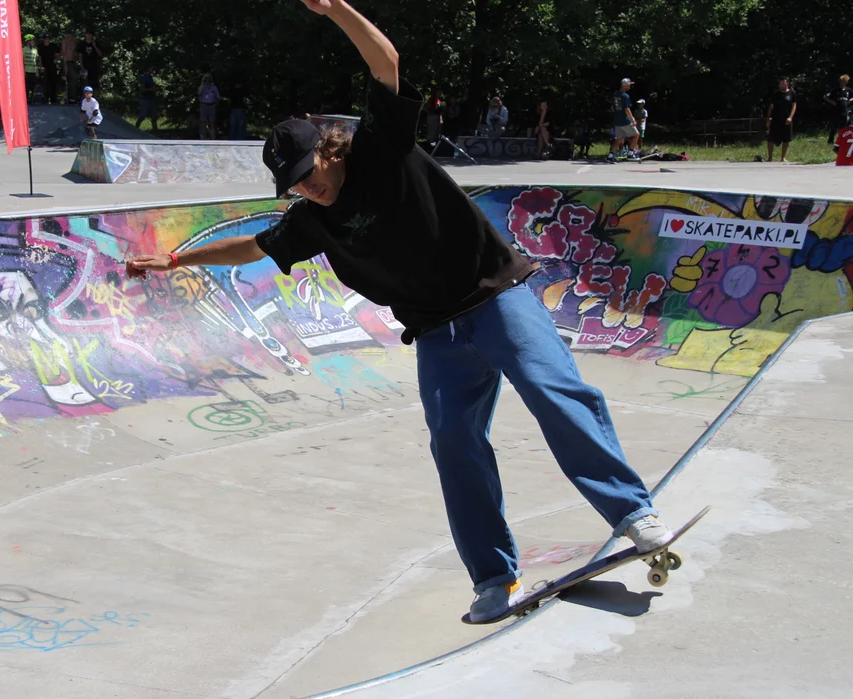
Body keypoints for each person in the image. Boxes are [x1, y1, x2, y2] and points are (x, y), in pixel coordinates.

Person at [126, 0, 674, 623]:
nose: (309, 188)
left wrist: (336, 10)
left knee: (555, 391)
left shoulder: (380, 146)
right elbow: (254, 244)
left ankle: (632, 511)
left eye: (310, 173)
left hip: (494, 295)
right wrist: (178, 260)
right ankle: (495, 578)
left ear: (329, 150)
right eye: (296, 185)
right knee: (453, 443)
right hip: (436, 331)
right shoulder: (312, 220)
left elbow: (385, 61)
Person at [607, 77, 638, 161]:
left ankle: (610, 155)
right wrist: (633, 120)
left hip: (617, 120)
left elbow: (612, 107)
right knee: (636, 135)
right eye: (629, 85)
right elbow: (627, 109)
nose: (630, 86)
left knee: (619, 139)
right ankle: (630, 153)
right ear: (625, 86)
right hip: (625, 120)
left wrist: (617, 114)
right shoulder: (625, 96)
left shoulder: (615, 94)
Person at [766, 76, 797, 162]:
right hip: (776, 119)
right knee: (771, 139)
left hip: (786, 119)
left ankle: (783, 158)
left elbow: (794, 106)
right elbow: (771, 107)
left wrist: (790, 117)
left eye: (783, 83)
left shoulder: (792, 93)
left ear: (787, 83)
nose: (781, 85)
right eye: (780, 83)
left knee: (786, 139)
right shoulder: (775, 94)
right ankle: (769, 158)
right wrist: (768, 119)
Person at [823, 74, 852, 146]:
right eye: (842, 81)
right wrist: (832, 102)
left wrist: (850, 100)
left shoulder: (848, 90)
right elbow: (825, 96)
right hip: (836, 112)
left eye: (845, 81)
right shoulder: (835, 90)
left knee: (843, 128)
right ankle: (830, 141)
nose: (843, 83)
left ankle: (842, 141)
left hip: (844, 111)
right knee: (834, 127)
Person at [38, 33, 60, 104]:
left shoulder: (53, 46)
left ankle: (54, 99)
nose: (47, 40)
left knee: (53, 83)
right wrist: (40, 67)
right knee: (45, 83)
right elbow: (39, 58)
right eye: (45, 39)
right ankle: (45, 99)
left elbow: (58, 55)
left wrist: (56, 59)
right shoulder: (40, 47)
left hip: (52, 67)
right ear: (43, 39)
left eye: (48, 39)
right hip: (44, 67)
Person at [198, 72, 221, 139]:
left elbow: (218, 97)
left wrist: (215, 105)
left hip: (212, 105)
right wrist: (202, 81)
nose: (207, 79)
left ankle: (212, 138)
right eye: (206, 78)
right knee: (203, 122)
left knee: (212, 123)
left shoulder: (214, 87)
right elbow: (199, 93)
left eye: (209, 78)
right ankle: (203, 138)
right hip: (203, 105)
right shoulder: (202, 87)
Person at [137, 66, 159, 131]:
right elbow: (142, 89)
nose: (152, 70)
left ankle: (155, 130)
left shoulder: (150, 77)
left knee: (154, 116)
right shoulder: (143, 77)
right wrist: (152, 89)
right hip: (145, 99)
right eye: (151, 68)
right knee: (142, 116)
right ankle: (135, 129)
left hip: (151, 99)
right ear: (147, 69)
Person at [22, 34, 40, 103]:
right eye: (32, 41)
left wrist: (37, 71)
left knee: (34, 86)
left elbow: (37, 60)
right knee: (26, 86)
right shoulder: (23, 49)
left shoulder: (35, 50)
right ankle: (26, 100)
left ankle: (33, 100)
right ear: (28, 41)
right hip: (26, 70)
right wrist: (23, 71)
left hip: (33, 71)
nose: (34, 42)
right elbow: (21, 60)